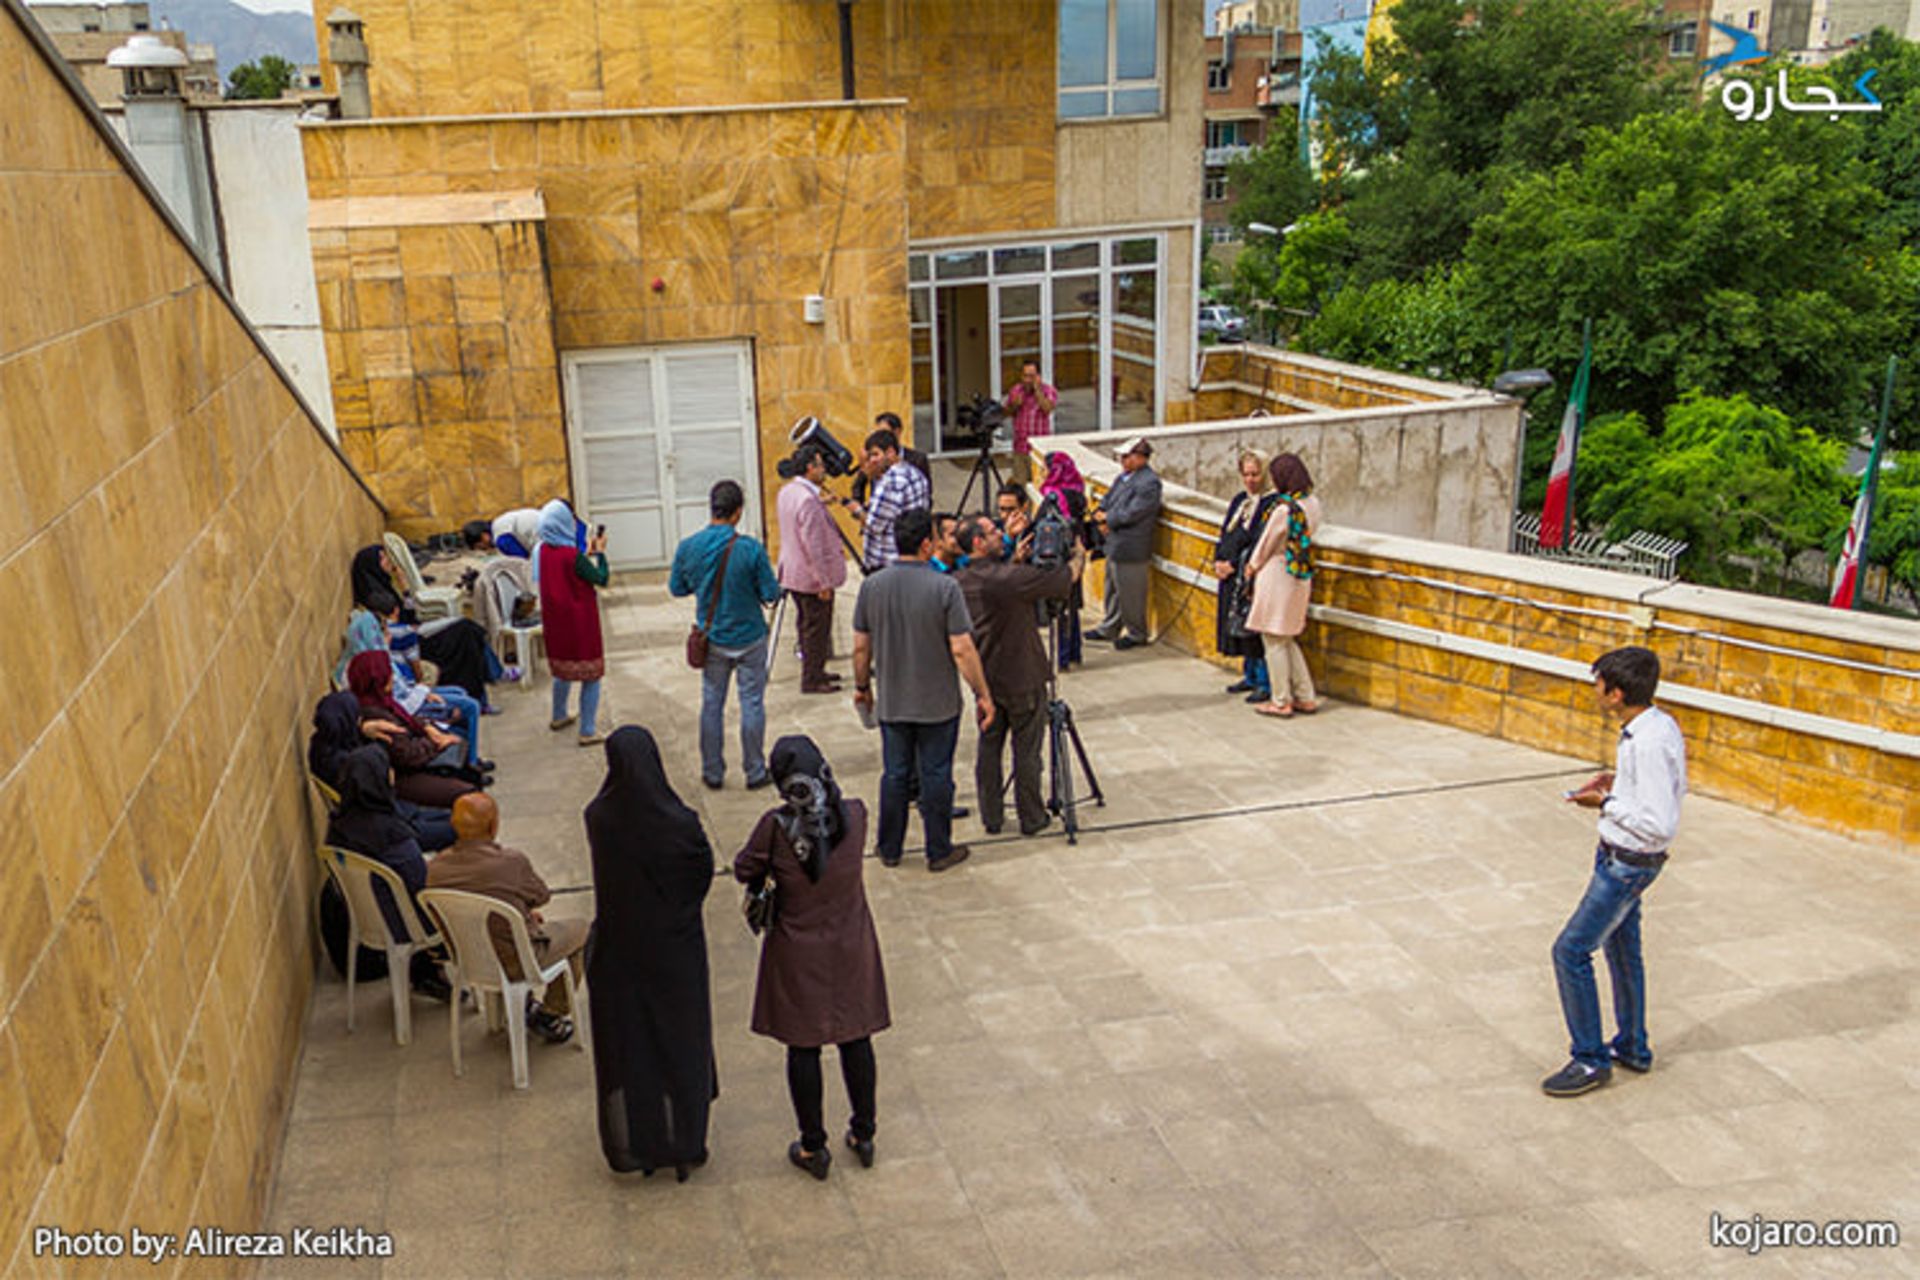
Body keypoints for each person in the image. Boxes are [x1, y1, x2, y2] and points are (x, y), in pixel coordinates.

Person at [733, 736, 889, 1180]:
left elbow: (745, 868)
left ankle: (813, 1146)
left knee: (803, 1046)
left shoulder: (775, 827)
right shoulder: (855, 814)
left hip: (798, 950)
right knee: (856, 1037)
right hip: (851, 944)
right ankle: (864, 1133)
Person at [1543, 647, 1687, 1098]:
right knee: (1623, 952)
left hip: (1626, 866)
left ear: (1617, 693)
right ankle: (1632, 1047)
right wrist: (1618, 785)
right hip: (1621, 858)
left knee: (1570, 952)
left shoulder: (1647, 742)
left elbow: (1659, 823)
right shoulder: (1655, 725)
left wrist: (1606, 803)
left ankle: (1590, 1059)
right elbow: (1654, 794)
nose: (1595, 691)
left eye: (1599, 684)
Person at [584, 727, 717, 1180]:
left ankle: (642, 1141)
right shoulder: (680, 824)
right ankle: (687, 1140)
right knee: (681, 1043)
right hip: (676, 952)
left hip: (621, 952)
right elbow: (701, 873)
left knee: (634, 1047)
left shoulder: (599, 818)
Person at [851, 509, 995, 872]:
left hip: (893, 700)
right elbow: (962, 649)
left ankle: (890, 847)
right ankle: (938, 849)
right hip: (938, 703)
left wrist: (862, 687)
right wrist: (982, 693)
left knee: (895, 774)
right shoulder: (944, 587)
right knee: (936, 774)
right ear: (927, 544)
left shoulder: (872, 586)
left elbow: (860, 648)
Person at [426, 793, 584, 1045]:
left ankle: (522, 1005)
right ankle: (550, 1014)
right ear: (493, 826)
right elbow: (541, 895)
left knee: (517, 922)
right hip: (516, 960)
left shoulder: (435, 869)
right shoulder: (510, 862)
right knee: (581, 931)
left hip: (469, 959)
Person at [956, 515, 1073, 837]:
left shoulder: (960, 580)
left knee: (989, 748)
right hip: (1022, 676)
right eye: (994, 532)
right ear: (978, 542)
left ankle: (991, 816)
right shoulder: (1008, 579)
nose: (1001, 534)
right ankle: (1032, 817)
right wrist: (1076, 553)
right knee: (1027, 751)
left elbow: (999, 585)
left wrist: (1014, 563)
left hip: (985, 679)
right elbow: (1062, 580)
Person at [669, 480, 784, 789]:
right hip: (750, 637)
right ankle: (755, 771)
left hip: (712, 638)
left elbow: (677, 588)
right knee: (752, 704)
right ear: (737, 513)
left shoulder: (688, 547)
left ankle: (713, 771)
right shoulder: (751, 549)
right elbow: (770, 593)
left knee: (711, 704)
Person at [324, 745, 449, 1000]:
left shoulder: (338, 827)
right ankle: (432, 969)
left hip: (364, 921)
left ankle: (425, 972)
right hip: (401, 925)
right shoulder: (392, 835)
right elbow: (420, 884)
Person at [349, 544, 514, 708]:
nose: (387, 561)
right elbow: (400, 628)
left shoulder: (384, 586)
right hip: (413, 638)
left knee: (469, 629)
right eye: (382, 558)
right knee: (466, 632)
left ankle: (495, 672)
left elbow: (410, 615)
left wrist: (404, 587)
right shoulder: (374, 598)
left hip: (414, 631)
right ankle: (493, 676)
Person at [309, 692, 455, 851]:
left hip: (392, 814)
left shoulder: (326, 743)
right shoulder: (344, 763)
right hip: (388, 825)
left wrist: (363, 730)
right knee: (455, 828)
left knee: (453, 818)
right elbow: (378, 779)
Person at [344, 651, 481, 808]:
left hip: (414, 756)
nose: (392, 677)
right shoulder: (375, 714)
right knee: (468, 794)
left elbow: (407, 719)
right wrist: (436, 743)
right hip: (403, 776)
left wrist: (427, 727)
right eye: (388, 673)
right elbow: (406, 755)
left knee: (459, 739)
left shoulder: (382, 701)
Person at [1244, 453, 1322, 718]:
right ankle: (1305, 696)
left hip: (1277, 575)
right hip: (1300, 575)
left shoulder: (1283, 510)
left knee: (1273, 640)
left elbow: (1266, 544)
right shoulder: (1312, 503)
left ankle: (1281, 700)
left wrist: (1252, 567)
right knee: (1286, 637)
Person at [535, 499, 611, 746]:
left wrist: (584, 555)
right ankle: (587, 730)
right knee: (591, 675)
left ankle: (558, 715)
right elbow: (601, 578)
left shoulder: (543, 550)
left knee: (562, 671)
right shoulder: (572, 556)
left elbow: (567, 572)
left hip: (556, 623)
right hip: (580, 623)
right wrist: (600, 553)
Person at [775, 445, 847, 695]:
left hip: (793, 571)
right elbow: (813, 546)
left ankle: (816, 669)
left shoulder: (789, 492)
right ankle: (812, 678)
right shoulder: (807, 500)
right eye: (820, 465)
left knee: (806, 624)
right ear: (810, 468)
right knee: (816, 628)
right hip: (810, 576)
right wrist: (823, 581)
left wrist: (821, 502)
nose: (824, 469)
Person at [1215, 450, 1281, 705]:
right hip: (1231, 576)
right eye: (1246, 474)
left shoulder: (1270, 504)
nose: (1250, 480)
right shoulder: (1241, 501)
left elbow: (1259, 540)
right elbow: (1226, 533)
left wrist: (1235, 564)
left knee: (1254, 630)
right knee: (1238, 626)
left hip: (1252, 576)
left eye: (1255, 474)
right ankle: (1250, 675)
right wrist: (1220, 561)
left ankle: (1264, 681)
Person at [1087, 437, 1161, 650]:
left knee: (1131, 594)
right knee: (1113, 589)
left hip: (1131, 546)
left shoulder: (1149, 483)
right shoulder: (1124, 478)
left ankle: (1137, 633)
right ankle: (1110, 627)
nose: (1123, 460)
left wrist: (1108, 519)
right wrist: (1100, 514)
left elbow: (1134, 512)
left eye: (1127, 456)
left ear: (1141, 458)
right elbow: (1108, 499)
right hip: (1115, 543)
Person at [850, 426, 932, 572]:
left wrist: (857, 510)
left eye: (876, 454)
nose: (872, 460)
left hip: (887, 562)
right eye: (870, 456)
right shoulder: (915, 472)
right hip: (911, 557)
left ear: (891, 452)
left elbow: (874, 526)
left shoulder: (890, 482)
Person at [1039, 452, 1092, 669]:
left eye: (1046, 468)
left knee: (1060, 608)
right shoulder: (1078, 493)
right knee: (1072, 605)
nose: (1043, 472)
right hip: (1076, 554)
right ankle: (1074, 652)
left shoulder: (1054, 497)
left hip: (1059, 557)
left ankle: (1062, 657)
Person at [847, 412, 931, 512]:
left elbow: (927, 494)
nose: (879, 437)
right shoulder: (873, 461)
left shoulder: (916, 461)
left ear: (897, 432)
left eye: (884, 432)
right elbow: (859, 488)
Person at [1001, 359, 1058, 484]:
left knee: (1040, 486)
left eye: (1031, 376)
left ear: (1038, 376)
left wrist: (1037, 391)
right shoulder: (1016, 390)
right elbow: (1005, 413)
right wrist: (1014, 405)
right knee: (1020, 486)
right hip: (1020, 447)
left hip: (1039, 449)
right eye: (1025, 376)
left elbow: (1047, 408)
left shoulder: (1048, 391)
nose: (1027, 380)